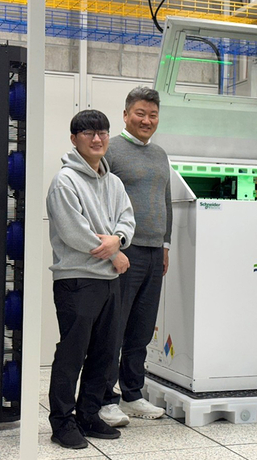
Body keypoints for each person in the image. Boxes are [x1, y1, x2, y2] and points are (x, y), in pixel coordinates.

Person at [46, 109, 135, 449]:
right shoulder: (65, 181)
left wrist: (118, 240)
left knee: (105, 352)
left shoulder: (114, 183)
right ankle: (62, 422)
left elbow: (127, 219)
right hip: (77, 280)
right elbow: (74, 232)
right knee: (72, 354)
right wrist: (115, 252)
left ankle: (89, 414)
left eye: (102, 132)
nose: (97, 139)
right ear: (74, 139)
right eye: (88, 133)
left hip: (109, 281)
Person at [99, 87, 172, 426]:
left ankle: (132, 394)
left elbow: (165, 200)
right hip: (125, 252)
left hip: (154, 252)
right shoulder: (111, 150)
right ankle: (104, 398)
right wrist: (113, 250)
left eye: (152, 115)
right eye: (140, 113)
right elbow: (99, 201)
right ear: (126, 114)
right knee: (113, 328)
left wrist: (165, 245)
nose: (147, 120)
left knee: (141, 329)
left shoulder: (159, 153)